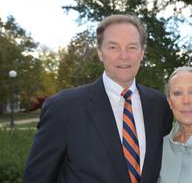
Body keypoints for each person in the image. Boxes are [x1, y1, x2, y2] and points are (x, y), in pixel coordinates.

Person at [24, 14, 173, 183]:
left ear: (142, 53)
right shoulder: (63, 108)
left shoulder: (159, 106)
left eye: (132, 47)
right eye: (113, 47)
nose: (124, 56)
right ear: (100, 53)